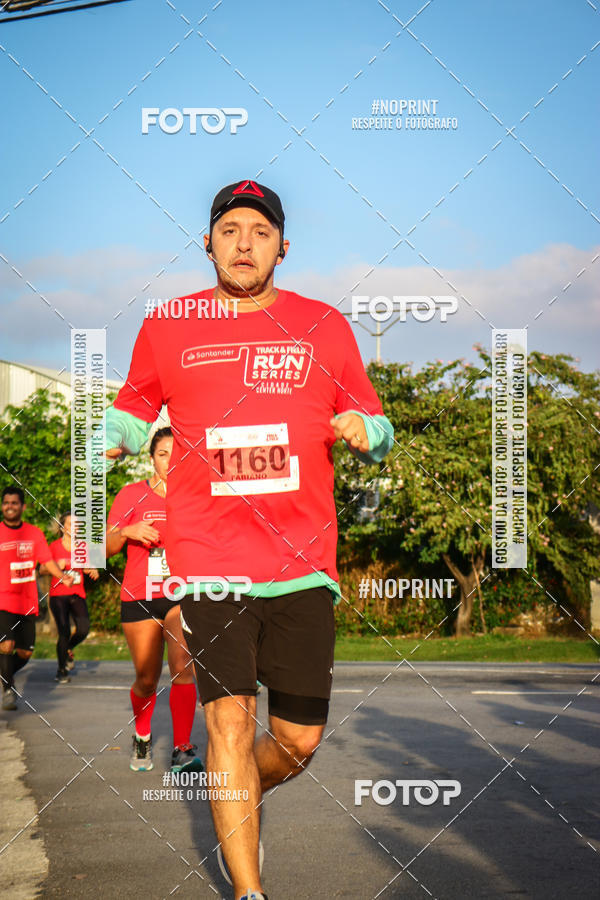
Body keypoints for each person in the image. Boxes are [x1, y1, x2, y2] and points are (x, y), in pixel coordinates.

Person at [103, 180, 394, 900]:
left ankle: (235, 793)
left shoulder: (323, 325)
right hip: (209, 562)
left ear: (283, 247)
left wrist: (367, 432)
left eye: (259, 232)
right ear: (207, 243)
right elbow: (131, 412)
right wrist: (104, 442)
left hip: (301, 565)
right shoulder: (169, 325)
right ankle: (250, 892)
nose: (243, 242)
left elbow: (376, 422)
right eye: (228, 229)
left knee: (297, 743)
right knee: (226, 725)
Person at [106, 427, 203, 774]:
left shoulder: (194, 495)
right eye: (163, 454)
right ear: (152, 458)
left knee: (182, 665)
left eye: (177, 454)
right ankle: (143, 735)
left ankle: (182, 748)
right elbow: (105, 548)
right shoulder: (131, 494)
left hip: (180, 595)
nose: (170, 461)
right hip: (140, 597)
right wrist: (126, 531)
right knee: (147, 679)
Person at [0, 485, 73, 710]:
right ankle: (8, 690)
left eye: (14, 503)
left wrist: (62, 576)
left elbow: (46, 561)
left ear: (22, 506)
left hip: (27, 602)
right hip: (3, 600)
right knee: (6, 645)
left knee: (25, 652)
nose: (9, 507)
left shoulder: (33, 533)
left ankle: (5, 673)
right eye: (6, 503)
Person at [41, 513, 99, 684]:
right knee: (64, 631)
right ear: (63, 528)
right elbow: (42, 569)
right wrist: (56, 567)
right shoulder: (53, 546)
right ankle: (61, 670)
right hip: (59, 595)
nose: (76, 527)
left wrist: (93, 570)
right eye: (71, 523)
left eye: (78, 524)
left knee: (83, 629)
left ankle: (68, 650)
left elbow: (88, 567)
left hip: (77, 593)